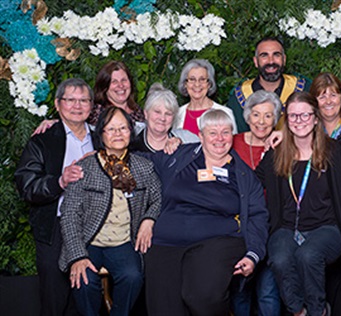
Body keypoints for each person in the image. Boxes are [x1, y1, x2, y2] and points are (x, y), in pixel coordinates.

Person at [143, 109, 269, 315]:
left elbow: (257, 217)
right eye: (212, 133)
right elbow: (140, 162)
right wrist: (101, 156)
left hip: (218, 241)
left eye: (225, 132)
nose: (219, 139)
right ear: (200, 136)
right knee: (165, 309)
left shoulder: (244, 175)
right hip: (166, 242)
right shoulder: (179, 156)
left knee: (201, 297)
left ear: (233, 136)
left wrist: (253, 254)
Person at [58, 106, 162, 316]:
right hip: (89, 242)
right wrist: (78, 256)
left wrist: (148, 220)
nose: (117, 134)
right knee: (84, 281)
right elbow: (69, 214)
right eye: (111, 129)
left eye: (123, 128)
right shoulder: (84, 167)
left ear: (130, 133)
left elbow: (157, 198)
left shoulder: (143, 167)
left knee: (133, 277)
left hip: (123, 242)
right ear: (101, 134)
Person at [256, 92, 341, 316]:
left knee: (307, 256)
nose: (299, 121)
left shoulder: (333, 151)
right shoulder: (277, 153)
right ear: (286, 120)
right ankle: (299, 312)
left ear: (316, 118)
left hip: (326, 227)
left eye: (305, 115)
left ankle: (319, 312)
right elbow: (250, 181)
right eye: (293, 116)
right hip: (286, 227)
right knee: (279, 259)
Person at [15, 78, 94, 316]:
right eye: (70, 100)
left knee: (89, 295)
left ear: (91, 106)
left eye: (83, 100)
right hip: (55, 227)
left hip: (94, 226)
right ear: (58, 105)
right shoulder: (43, 140)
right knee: (54, 298)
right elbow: (26, 186)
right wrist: (59, 181)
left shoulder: (104, 138)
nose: (77, 106)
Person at [230, 90, 282, 316]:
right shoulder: (232, 142)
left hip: (271, 225)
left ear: (276, 119)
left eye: (268, 116)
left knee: (267, 291)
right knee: (240, 291)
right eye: (256, 115)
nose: (261, 122)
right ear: (247, 117)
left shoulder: (282, 145)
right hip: (238, 226)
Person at [33, 61, 145, 135]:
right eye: (114, 82)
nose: (120, 86)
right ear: (104, 87)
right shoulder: (95, 112)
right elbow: (75, 124)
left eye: (124, 80)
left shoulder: (139, 111)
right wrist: (54, 124)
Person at [227, 37, 311, 133]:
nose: (271, 61)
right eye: (264, 56)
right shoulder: (239, 97)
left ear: (284, 59)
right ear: (255, 61)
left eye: (276, 55)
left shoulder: (304, 89)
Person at [174, 59, 237, 135]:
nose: (197, 84)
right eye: (192, 79)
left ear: (209, 84)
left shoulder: (225, 112)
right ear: (185, 84)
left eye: (202, 79)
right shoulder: (177, 114)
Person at [130, 82, 198, 152]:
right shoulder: (132, 142)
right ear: (146, 113)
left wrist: (183, 147)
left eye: (168, 114)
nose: (162, 118)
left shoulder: (186, 138)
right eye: (157, 112)